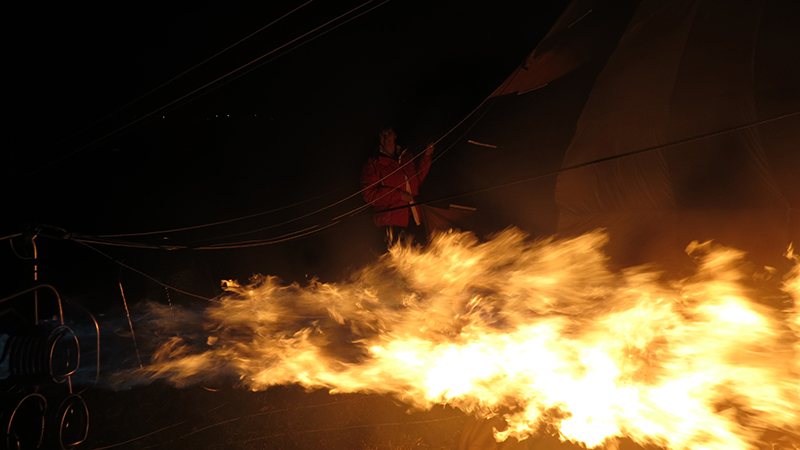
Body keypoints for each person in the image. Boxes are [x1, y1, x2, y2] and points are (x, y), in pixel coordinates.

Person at [361, 127, 434, 246]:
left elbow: (416, 181)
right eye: (383, 134)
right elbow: (369, 194)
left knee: (422, 257)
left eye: (389, 133)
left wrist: (426, 157)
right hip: (391, 222)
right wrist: (399, 196)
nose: (386, 138)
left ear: (395, 135)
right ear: (379, 138)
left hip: (414, 219)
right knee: (399, 261)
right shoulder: (374, 164)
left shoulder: (406, 157)